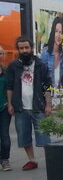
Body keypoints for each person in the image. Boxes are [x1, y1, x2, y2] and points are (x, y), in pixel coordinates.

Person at [5, 36, 52, 171]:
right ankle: (32, 160)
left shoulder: (41, 65)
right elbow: (9, 86)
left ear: (31, 48)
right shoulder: (13, 66)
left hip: (39, 106)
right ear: (18, 50)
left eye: (26, 47)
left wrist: (48, 105)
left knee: (44, 136)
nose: (24, 50)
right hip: (20, 108)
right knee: (24, 136)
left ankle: (51, 162)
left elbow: (48, 86)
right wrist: (10, 104)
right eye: (21, 48)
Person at [40, 15, 63, 92]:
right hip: (47, 94)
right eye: (56, 31)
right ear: (52, 32)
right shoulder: (45, 52)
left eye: (61, 32)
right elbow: (41, 78)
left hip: (59, 95)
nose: (58, 35)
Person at [0, 60, 10, 170]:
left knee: (4, 135)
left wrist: (9, 102)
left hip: (3, 108)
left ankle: (5, 160)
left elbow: (11, 87)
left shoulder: (6, 72)